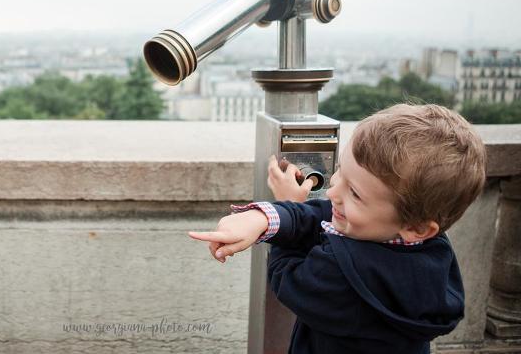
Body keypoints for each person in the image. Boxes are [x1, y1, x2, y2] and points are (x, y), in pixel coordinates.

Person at [188, 104, 486, 354]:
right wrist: (266, 218)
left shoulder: (341, 276)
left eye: (354, 193)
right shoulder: (431, 248)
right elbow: (325, 216)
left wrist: (287, 203)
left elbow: (286, 276)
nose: (333, 191)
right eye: (341, 171)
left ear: (417, 227)